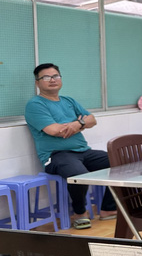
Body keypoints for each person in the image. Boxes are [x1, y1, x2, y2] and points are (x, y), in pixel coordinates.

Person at [25, 63, 117, 229]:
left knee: (120, 162)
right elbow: (55, 130)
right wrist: (80, 123)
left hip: (84, 151)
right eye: (46, 77)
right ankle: (80, 212)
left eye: (56, 76)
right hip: (57, 155)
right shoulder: (35, 105)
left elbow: (92, 120)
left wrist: (77, 124)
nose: (52, 80)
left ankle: (108, 209)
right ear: (37, 82)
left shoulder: (69, 101)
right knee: (79, 174)